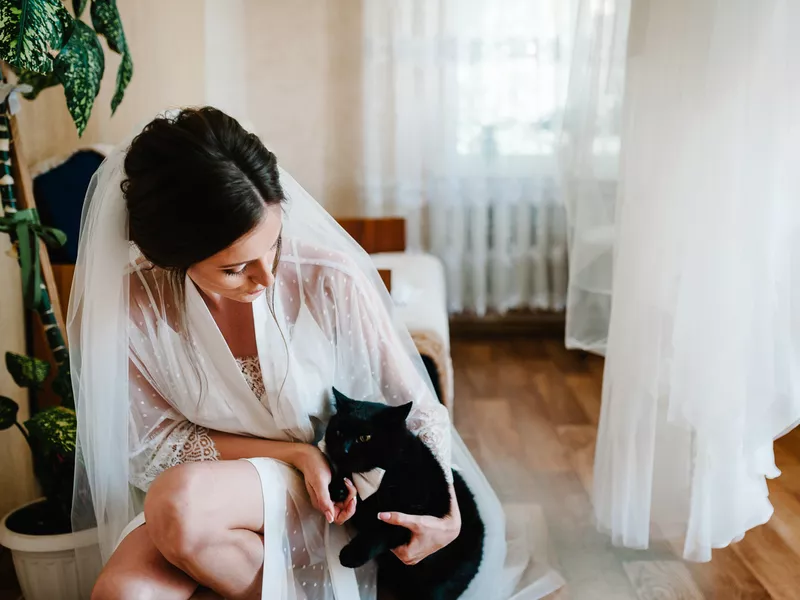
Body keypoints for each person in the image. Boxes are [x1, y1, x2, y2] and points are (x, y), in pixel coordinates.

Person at [70, 107, 561, 599]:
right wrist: (297, 454)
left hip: (338, 500)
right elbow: (159, 443)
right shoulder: (134, 310)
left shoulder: (330, 279)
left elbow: (414, 406)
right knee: (121, 593)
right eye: (236, 268)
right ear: (173, 258)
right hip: (225, 494)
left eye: (274, 245)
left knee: (177, 504)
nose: (264, 278)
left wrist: (448, 516)